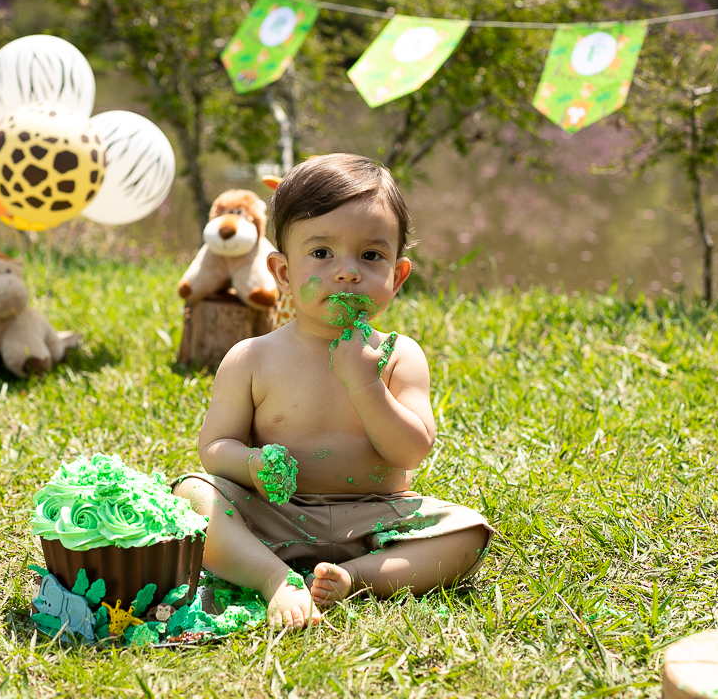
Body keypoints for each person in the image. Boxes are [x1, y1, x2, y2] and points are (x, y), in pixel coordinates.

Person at [174, 154, 494, 628]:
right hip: (274, 514)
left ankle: (353, 577)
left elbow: (410, 451)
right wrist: (252, 464)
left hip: (375, 519)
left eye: (371, 256)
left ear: (397, 276)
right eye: (322, 254)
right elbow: (215, 448)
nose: (347, 272)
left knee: (469, 534)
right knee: (192, 495)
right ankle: (273, 577)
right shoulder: (252, 357)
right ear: (284, 273)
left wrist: (365, 384)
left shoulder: (399, 356)